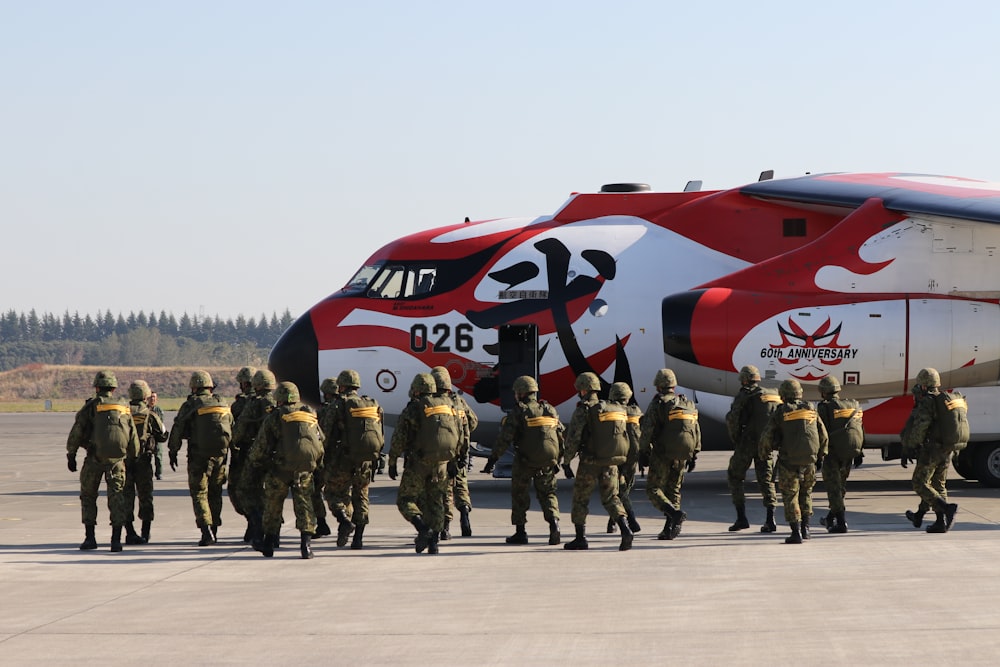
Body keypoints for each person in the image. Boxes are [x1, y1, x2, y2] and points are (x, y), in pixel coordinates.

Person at [482, 375, 564, 545]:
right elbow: (560, 436)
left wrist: (492, 459)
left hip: (525, 461)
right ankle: (554, 524)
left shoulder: (519, 411)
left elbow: (505, 438)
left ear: (520, 393)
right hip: (547, 461)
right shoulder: (550, 409)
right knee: (548, 493)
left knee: (520, 495)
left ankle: (520, 532)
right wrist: (558, 460)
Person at [66, 370, 141, 552]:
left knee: (88, 496)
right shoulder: (123, 407)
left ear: (97, 387)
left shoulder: (92, 406)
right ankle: (116, 540)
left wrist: (71, 454)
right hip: (117, 461)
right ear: (113, 388)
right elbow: (132, 436)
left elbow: (77, 431)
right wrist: (132, 457)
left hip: (95, 458)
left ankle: (90, 538)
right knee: (117, 497)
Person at [249, 381, 325, 559]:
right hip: (304, 470)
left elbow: (261, 445)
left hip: (280, 470)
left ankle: (268, 544)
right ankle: (306, 546)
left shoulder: (276, 416)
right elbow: (321, 440)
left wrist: (255, 463)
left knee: (273, 505)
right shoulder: (309, 414)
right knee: (305, 505)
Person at [387, 373, 460, 555]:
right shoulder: (447, 406)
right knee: (436, 502)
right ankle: (434, 543)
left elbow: (399, 437)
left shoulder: (414, 407)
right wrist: (454, 460)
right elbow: (459, 433)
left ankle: (422, 528)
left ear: (417, 389)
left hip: (419, 463)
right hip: (442, 463)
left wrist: (393, 460)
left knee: (405, 499)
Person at [563, 374, 635, 551]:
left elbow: (573, 438)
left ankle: (580, 538)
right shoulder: (611, 408)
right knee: (611, 498)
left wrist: (566, 461)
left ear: (583, 390)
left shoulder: (584, 409)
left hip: (589, 462)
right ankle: (625, 529)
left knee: (580, 499)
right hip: (610, 461)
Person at [168, 371, 234, 546]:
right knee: (216, 492)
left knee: (199, 494)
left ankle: (206, 531)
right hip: (220, 457)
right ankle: (215, 530)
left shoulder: (191, 404)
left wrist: (172, 451)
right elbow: (232, 428)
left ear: (195, 387)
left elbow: (178, 428)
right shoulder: (222, 403)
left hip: (198, 456)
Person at [759, 379, 829, 544]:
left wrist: (764, 454)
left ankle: (795, 532)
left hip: (788, 461)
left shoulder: (781, 411)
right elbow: (823, 435)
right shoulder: (810, 409)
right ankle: (806, 529)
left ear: (783, 395)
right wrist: (821, 456)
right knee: (806, 494)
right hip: (809, 461)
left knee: (790, 496)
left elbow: (767, 436)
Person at [321, 369, 384, 550]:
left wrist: (322, 459)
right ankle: (358, 539)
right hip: (365, 460)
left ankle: (344, 520)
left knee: (333, 493)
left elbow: (325, 434)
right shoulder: (371, 403)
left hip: (343, 459)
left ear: (341, 386)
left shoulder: (337, 405)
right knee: (361, 497)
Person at [901, 368, 968, 533]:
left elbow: (921, 425)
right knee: (938, 484)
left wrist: (910, 445)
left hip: (932, 449)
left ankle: (946, 509)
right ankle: (940, 522)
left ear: (923, 385)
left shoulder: (928, 401)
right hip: (946, 448)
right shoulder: (943, 399)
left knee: (919, 483)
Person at [638, 369, 698, 540]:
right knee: (674, 491)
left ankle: (674, 514)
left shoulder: (659, 403)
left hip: (662, 453)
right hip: (682, 454)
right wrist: (694, 454)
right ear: (674, 385)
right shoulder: (687, 404)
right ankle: (669, 529)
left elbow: (647, 429)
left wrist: (643, 451)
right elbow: (696, 429)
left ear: (658, 386)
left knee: (653, 489)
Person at [725, 365, 781, 533]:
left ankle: (741, 518)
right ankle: (770, 520)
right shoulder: (771, 395)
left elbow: (733, 420)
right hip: (767, 444)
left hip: (747, 443)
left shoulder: (745, 395)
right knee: (766, 481)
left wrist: (736, 439)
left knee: (734, 476)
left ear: (744, 379)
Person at [231, 369, 277, 547]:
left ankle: (257, 525)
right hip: (274, 455)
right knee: (271, 493)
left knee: (244, 490)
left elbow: (240, 428)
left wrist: (233, 444)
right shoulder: (278, 402)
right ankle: (273, 532)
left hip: (252, 453)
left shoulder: (250, 403)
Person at [430, 366, 478, 539]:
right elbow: (473, 422)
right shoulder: (458, 401)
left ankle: (445, 527)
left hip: (441, 454)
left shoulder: (431, 402)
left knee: (445, 491)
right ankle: (465, 516)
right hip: (460, 451)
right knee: (461, 487)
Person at [816, 376, 864, 533]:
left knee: (833, 488)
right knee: (840, 486)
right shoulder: (852, 404)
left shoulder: (825, 407)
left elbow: (821, 432)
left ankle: (841, 523)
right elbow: (858, 428)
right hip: (848, 452)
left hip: (833, 453)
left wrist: (818, 455)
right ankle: (830, 518)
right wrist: (859, 451)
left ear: (823, 392)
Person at [123, 379, 167, 544]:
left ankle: (129, 532)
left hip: (125, 461)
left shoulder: (123, 412)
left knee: (126, 496)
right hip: (143, 460)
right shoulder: (150, 414)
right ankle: (145, 532)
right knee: (145, 496)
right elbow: (163, 435)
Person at [147, 391, 166, 480]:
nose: (152, 399)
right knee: (147, 456)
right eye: (151, 397)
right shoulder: (145, 409)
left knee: (158, 456)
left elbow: (160, 423)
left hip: (156, 436)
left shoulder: (158, 410)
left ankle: (159, 473)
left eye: (154, 397)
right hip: (148, 436)